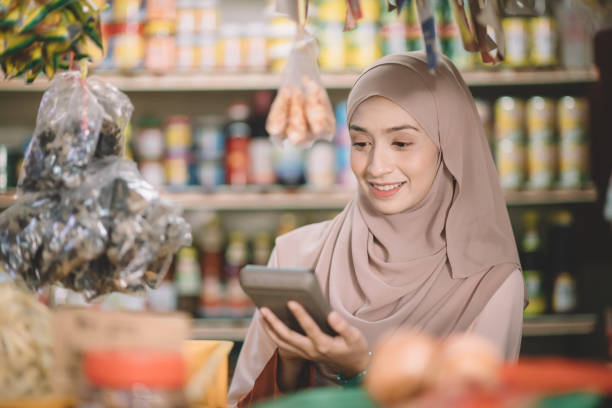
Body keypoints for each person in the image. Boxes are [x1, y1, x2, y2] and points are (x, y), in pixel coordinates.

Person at [228, 51, 525, 408]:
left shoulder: (491, 281)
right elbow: (245, 402)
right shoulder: (295, 256)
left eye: (401, 143)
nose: (376, 166)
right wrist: (290, 362)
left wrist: (358, 370)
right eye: (361, 143)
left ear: (450, 146)